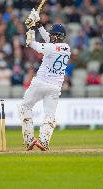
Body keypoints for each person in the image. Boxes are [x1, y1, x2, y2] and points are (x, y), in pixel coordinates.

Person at [18, 9, 71, 151]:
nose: (52, 37)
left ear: (59, 37)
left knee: (24, 107)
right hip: (55, 87)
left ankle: (29, 139)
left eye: (54, 35)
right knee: (50, 115)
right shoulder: (66, 48)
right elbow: (48, 39)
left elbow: (32, 44)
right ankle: (44, 141)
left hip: (40, 83)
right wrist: (39, 24)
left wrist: (30, 29)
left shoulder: (50, 48)